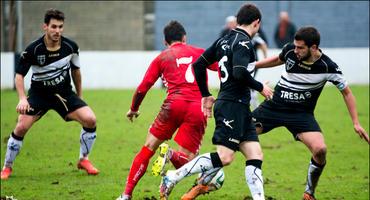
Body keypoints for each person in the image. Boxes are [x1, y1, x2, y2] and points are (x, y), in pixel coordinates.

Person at [159, 4, 273, 200]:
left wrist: (205, 94)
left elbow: (199, 64)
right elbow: (239, 72)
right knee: (225, 156)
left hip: (239, 106)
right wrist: (260, 87)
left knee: (255, 154)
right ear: (257, 23)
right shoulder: (244, 42)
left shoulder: (224, 39)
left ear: (238, 20)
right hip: (231, 105)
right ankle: (173, 176)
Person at [252, 26, 370, 200]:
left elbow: (347, 93)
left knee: (320, 150)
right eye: (295, 46)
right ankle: (208, 177)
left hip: (301, 114)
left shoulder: (328, 67)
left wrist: (356, 122)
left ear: (313, 47)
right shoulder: (290, 52)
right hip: (274, 107)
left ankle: (309, 193)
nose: (296, 50)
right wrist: (253, 65)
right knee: (239, 134)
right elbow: (278, 59)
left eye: (300, 47)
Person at [116, 20, 223, 200]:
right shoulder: (200, 53)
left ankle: (126, 195)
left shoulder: (163, 57)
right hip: (197, 107)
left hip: (172, 105)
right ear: (184, 38)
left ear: (165, 42)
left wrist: (134, 108)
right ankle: (171, 154)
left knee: (148, 148)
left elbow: (143, 87)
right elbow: (221, 66)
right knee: (190, 163)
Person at [0, 9, 99, 180]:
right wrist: (22, 98)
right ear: (45, 27)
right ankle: (7, 167)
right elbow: (19, 76)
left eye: (60, 27)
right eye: (54, 27)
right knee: (21, 127)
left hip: (64, 94)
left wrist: (80, 96)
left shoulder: (71, 47)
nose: (57, 31)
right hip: (39, 95)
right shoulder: (33, 49)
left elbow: (76, 72)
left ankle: (84, 160)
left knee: (90, 119)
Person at [250, 31, 268, 110]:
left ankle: (255, 106)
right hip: (249, 64)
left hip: (252, 64)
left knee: (249, 84)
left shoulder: (253, 35)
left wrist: (265, 58)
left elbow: (263, 44)